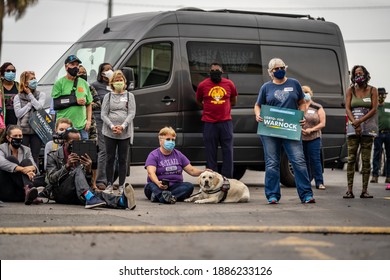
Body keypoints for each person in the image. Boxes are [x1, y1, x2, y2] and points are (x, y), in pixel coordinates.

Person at [254, 58, 315, 204]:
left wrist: (302, 115)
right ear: (271, 72)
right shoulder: (266, 87)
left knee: (298, 161)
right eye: (276, 68)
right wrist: (257, 114)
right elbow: (257, 105)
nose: (280, 70)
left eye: (282, 67)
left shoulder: (294, 84)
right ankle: (272, 195)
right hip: (269, 129)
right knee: (272, 163)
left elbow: (302, 103)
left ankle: (306, 194)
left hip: (291, 128)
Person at [46, 127, 136, 210]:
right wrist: (67, 166)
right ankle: (90, 197)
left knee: (97, 195)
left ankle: (121, 202)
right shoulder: (53, 155)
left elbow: (85, 184)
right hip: (60, 192)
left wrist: (89, 170)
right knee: (78, 170)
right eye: (72, 143)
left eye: (78, 143)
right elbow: (51, 180)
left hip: (77, 192)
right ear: (65, 142)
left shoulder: (81, 154)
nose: (74, 146)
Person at [196, 62, 238, 178]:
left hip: (225, 122)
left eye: (217, 71)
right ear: (209, 72)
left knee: (228, 152)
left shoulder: (229, 84)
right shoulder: (202, 85)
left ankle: (227, 179)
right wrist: (208, 108)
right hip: (209, 123)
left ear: (222, 72)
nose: (215, 73)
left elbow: (233, 100)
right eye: (213, 71)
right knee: (210, 153)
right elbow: (198, 101)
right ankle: (212, 179)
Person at [144, 126, 207, 204]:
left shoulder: (178, 155)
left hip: (175, 186)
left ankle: (160, 197)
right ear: (160, 141)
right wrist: (158, 183)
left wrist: (204, 172)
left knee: (189, 186)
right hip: (157, 185)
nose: (171, 142)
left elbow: (192, 170)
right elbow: (151, 173)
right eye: (168, 139)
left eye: (173, 140)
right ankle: (164, 196)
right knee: (150, 186)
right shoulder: (153, 155)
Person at [344, 65, 378, 199]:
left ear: (365, 74)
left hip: (368, 129)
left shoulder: (372, 90)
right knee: (351, 159)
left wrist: (360, 121)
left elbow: (374, 109)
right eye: (356, 73)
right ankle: (349, 190)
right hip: (353, 128)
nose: (358, 75)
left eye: (360, 73)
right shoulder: (350, 90)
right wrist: (355, 123)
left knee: (365, 160)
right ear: (353, 76)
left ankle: (365, 190)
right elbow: (347, 108)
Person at [101, 70, 135, 195]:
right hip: (109, 132)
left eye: (121, 80)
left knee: (122, 159)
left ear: (124, 82)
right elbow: (103, 114)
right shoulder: (108, 96)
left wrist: (123, 126)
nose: (119, 82)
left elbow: (131, 113)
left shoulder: (130, 96)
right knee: (110, 158)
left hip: (124, 132)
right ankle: (109, 184)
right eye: (116, 80)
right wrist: (111, 126)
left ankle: (121, 185)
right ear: (112, 83)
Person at [51, 55, 92, 140]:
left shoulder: (84, 83)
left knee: (83, 152)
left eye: (77, 65)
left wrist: (88, 121)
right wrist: (74, 100)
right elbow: (56, 103)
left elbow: (89, 103)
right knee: (63, 152)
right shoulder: (59, 83)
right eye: (72, 64)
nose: (75, 67)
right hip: (64, 127)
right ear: (66, 67)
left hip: (81, 127)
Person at [0, 125, 40, 205]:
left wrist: (30, 169)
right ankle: (29, 190)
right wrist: (23, 169)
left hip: (21, 194)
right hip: (7, 190)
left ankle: (28, 190)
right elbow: (2, 163)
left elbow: (35, 167)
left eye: (20, 136)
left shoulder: (26, 150)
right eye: (15, 136)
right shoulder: (1, 148)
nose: (18, 138)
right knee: (11, 159)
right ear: (8, 138)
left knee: (27, 161)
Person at [13, 71, 46, 165]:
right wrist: (29, 105)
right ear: (25, 82)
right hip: (23, 131)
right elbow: (18, 114)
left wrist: (30, 96)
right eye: (31, 79)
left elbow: (39, 107)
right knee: (21, 154)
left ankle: (35, 175)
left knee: (35, 155)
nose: (34, 80)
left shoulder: (41, 94)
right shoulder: (17, 97)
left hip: (37, 130)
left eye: (35, 78)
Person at [91, 63, 114, 189]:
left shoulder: (115, 85)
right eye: (106, 70)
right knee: (103, 150)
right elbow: (93, 102)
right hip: (99, 119)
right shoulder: (95, 85)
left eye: (111, 69)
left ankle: (109, 180)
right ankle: (100, 180)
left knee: (112, 151)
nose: (109, 71)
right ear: (101, 73)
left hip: (113, 120)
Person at [301, 85, 326, 190]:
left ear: (310, 94)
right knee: (304, 160)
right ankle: (306, 182)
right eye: (303, 92)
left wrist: (311, 129)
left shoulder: (317, 107)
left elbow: (323, 123)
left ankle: (319, 182)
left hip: (314, 137)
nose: (305, 94)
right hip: (301, 137)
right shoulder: (298, 106)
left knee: (315, 160)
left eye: (307, 92)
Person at [370, 88, 390, 185]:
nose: (382, 96)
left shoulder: (389, 106)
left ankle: (388, 176)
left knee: (389, 155)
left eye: (383, 94)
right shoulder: (374, 107)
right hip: (378, 133)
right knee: (377, 155)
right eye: (380, 94)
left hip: (389, 133)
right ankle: (375, 175)